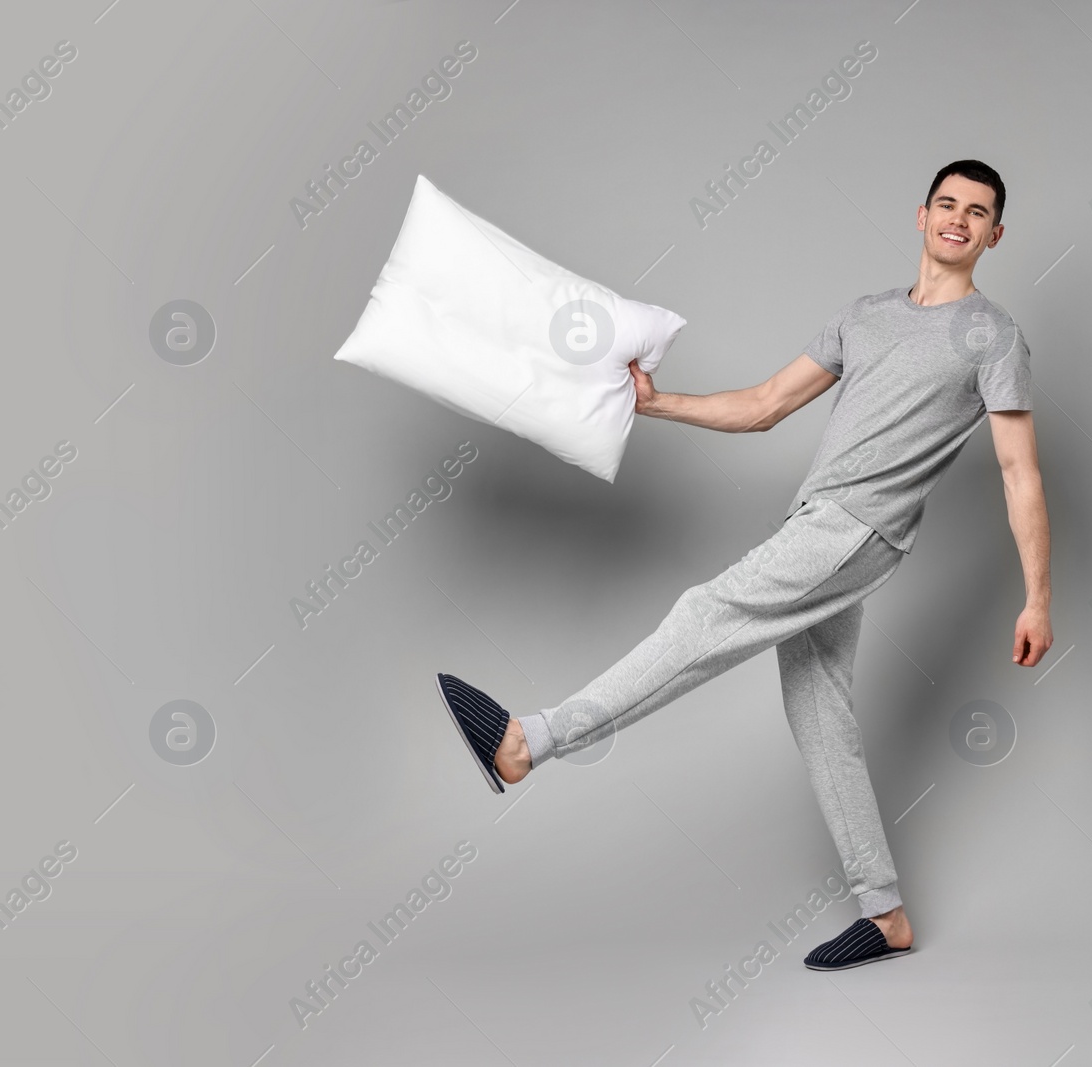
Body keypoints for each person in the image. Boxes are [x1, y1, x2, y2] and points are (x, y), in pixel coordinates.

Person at [436, 159, 1053, 971]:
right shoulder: (864, 316)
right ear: (921, 215)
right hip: (819, 520)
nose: (959, 220)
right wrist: (658, 404)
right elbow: (764, 406)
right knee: (819, 713)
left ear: (994, 234)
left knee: (705, 613)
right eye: (947, 204)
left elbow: (1019, 471)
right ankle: (887, 912)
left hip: (857, 527)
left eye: (978, 213)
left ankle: (530, 742)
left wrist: (1036, 598)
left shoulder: (993, 336)